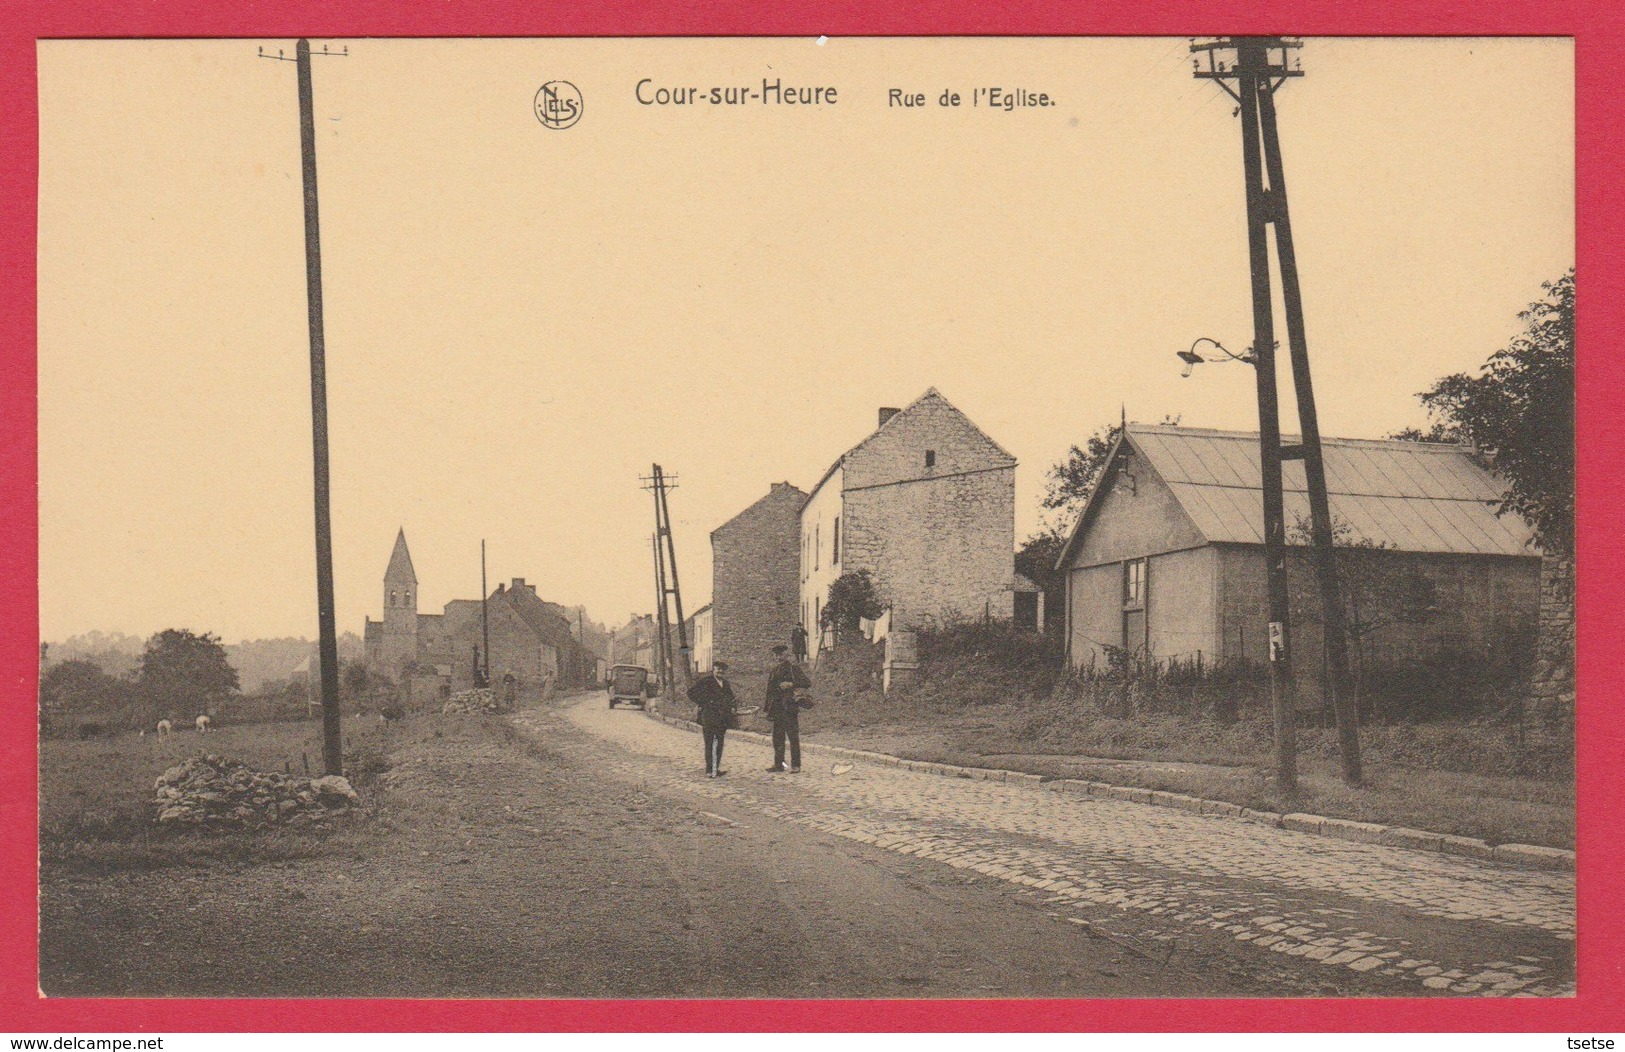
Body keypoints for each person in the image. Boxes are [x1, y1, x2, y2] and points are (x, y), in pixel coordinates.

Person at [764, 644, 812, 773]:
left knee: (792, 737)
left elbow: (807, 683)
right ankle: (778, 764)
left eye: (780, 655)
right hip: (777, 708)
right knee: (777, 738)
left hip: (789, 708)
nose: (778, 658)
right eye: (776, 655)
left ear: (786, 655)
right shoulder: (774, 670)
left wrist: (791, 684)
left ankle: (796, 765)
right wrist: (767, 708)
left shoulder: (793, 668)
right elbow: (769, 691)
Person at [687, 660, 738, 778]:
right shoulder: (706, 681)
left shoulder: (725, 683)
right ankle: (709, 770)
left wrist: (733, 707)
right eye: (718, 669)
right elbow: (690, 692)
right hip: (709, 716)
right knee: (710, 743)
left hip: (722, 718)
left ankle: (716, 768)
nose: (720, 671)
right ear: (713, 669)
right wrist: (704, 702)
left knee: (719, 743)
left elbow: (731, 698)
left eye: (722, 669)